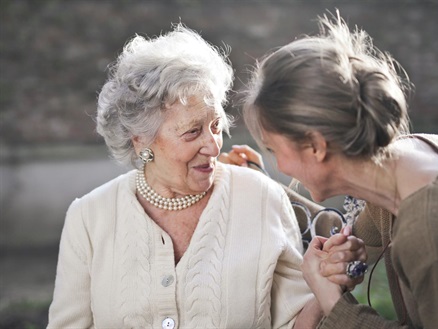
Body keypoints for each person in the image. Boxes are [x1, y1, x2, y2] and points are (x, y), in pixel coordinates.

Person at [47, 24, 366, 329]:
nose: (213, 145)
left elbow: (296, 322)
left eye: (215, 126)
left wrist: (325, 283)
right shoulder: (88, 218)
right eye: (192, 132)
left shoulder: (260, 198)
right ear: (141, 139)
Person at [237, 11, 438, 329]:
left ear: (315, 146)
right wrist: (338, 262)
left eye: (273, 150)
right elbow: (354, 242)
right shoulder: (413, 157)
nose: (280, 166)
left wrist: (333, 302)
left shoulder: (431, 238)